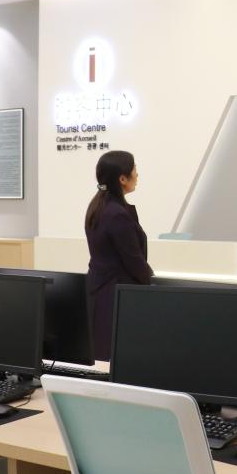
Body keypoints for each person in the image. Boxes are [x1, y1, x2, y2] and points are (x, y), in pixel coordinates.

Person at [85, 150, 153, 362]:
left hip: (101, 291)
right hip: (117, 296)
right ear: (122, 179)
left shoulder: (98, 206)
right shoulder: (116, 214)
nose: (137, 175)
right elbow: (133, 260)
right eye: (135, 170)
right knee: (114, 358)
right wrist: (152, 282)